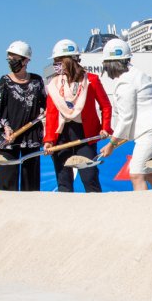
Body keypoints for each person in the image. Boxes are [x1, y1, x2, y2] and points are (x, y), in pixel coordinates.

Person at [98, 39, 152, 191]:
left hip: (150, 131)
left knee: (136, 174)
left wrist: (112, 144)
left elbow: (126, 118)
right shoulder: (139, 74)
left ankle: (142, 211)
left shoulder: (125, 82)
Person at [43, 39, 112, 192]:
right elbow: (51, 115)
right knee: (64, 181)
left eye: (58, 61)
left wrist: (105, 127)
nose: (55, 65)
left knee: (89, 178)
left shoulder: (91, 80)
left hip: (85, 135)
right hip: (61, 136)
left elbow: (105, 106)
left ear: (69, 61)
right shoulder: (53, 84)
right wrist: (48, 139)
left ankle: (96, 212)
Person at [0, 41, 46, 192]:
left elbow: (46, 104)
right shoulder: (4, 81)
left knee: (31, 183)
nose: (11, 62)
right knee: (7, 182)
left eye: (15, 59)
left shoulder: (37, 81)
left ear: (26, 60)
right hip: (8, 138)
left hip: (31, 137)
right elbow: (0, 109)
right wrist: (6, 127)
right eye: (9, 59)